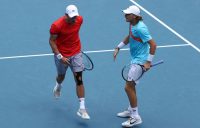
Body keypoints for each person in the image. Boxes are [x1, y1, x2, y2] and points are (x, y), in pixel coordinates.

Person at [113, 5, 157, 127]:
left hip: (140, 61)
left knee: (128, 87)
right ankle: (130, 110)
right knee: (131, 86)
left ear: (135, 16)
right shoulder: (132, 24)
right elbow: (130, 36)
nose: (125, 15)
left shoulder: (141, 29)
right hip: (135, 59)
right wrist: (118, 47)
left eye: (127, 14)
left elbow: (153, 45)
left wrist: (148, 62)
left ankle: (135, 117)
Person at [49, 5, 90, 120]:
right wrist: (60, 56)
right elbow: (51, 41)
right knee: (61, 76)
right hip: (62, 55)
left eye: (75, 17)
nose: (74, 19)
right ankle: (58, 86)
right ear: (66, 15)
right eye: (72, 17)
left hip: (76, 53)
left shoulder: (79, 20)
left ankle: (82, 108)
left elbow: (74, 34)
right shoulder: (56, 25)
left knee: (79, 79)